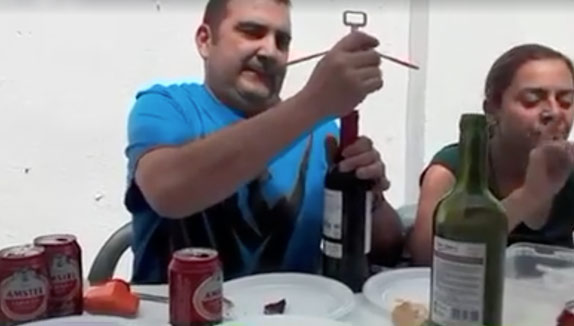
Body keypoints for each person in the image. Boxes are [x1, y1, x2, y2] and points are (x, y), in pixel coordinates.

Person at [124, 0, 404, 284]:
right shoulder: (166, 107)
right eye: (251, 32)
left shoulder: (322, 132)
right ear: (205, 41)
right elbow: (168, 191)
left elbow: (387, 248)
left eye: (281, 41)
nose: (270, 51)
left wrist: (371, 199)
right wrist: (315, 102)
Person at [409, 43, 574, 265]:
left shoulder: (569, 166)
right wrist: (529, 196)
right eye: (532, 100)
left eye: (566, 101)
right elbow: (426, 260)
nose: (554, 112)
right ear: (493, 107)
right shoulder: (452, 170)